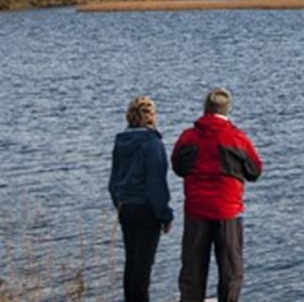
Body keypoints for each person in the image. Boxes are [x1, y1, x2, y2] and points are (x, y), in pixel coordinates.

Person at [172, 87, 263, 302]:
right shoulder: (236, 138)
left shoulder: (188, 137)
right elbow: (255, 170)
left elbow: (177, 166)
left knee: (193, 269)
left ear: (205, 108)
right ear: (227, 109)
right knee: (230, 269)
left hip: (196, 210)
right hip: (227, 210)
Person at [109, 95, 174, 302]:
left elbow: (113, 181)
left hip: (125, 207)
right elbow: (156, 183)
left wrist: (118, 203)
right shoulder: (153, 143)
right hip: (146, 209)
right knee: (143, 267)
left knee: (131, 261)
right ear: (150, 117)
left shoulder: (121, 141)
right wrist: (165, 215)